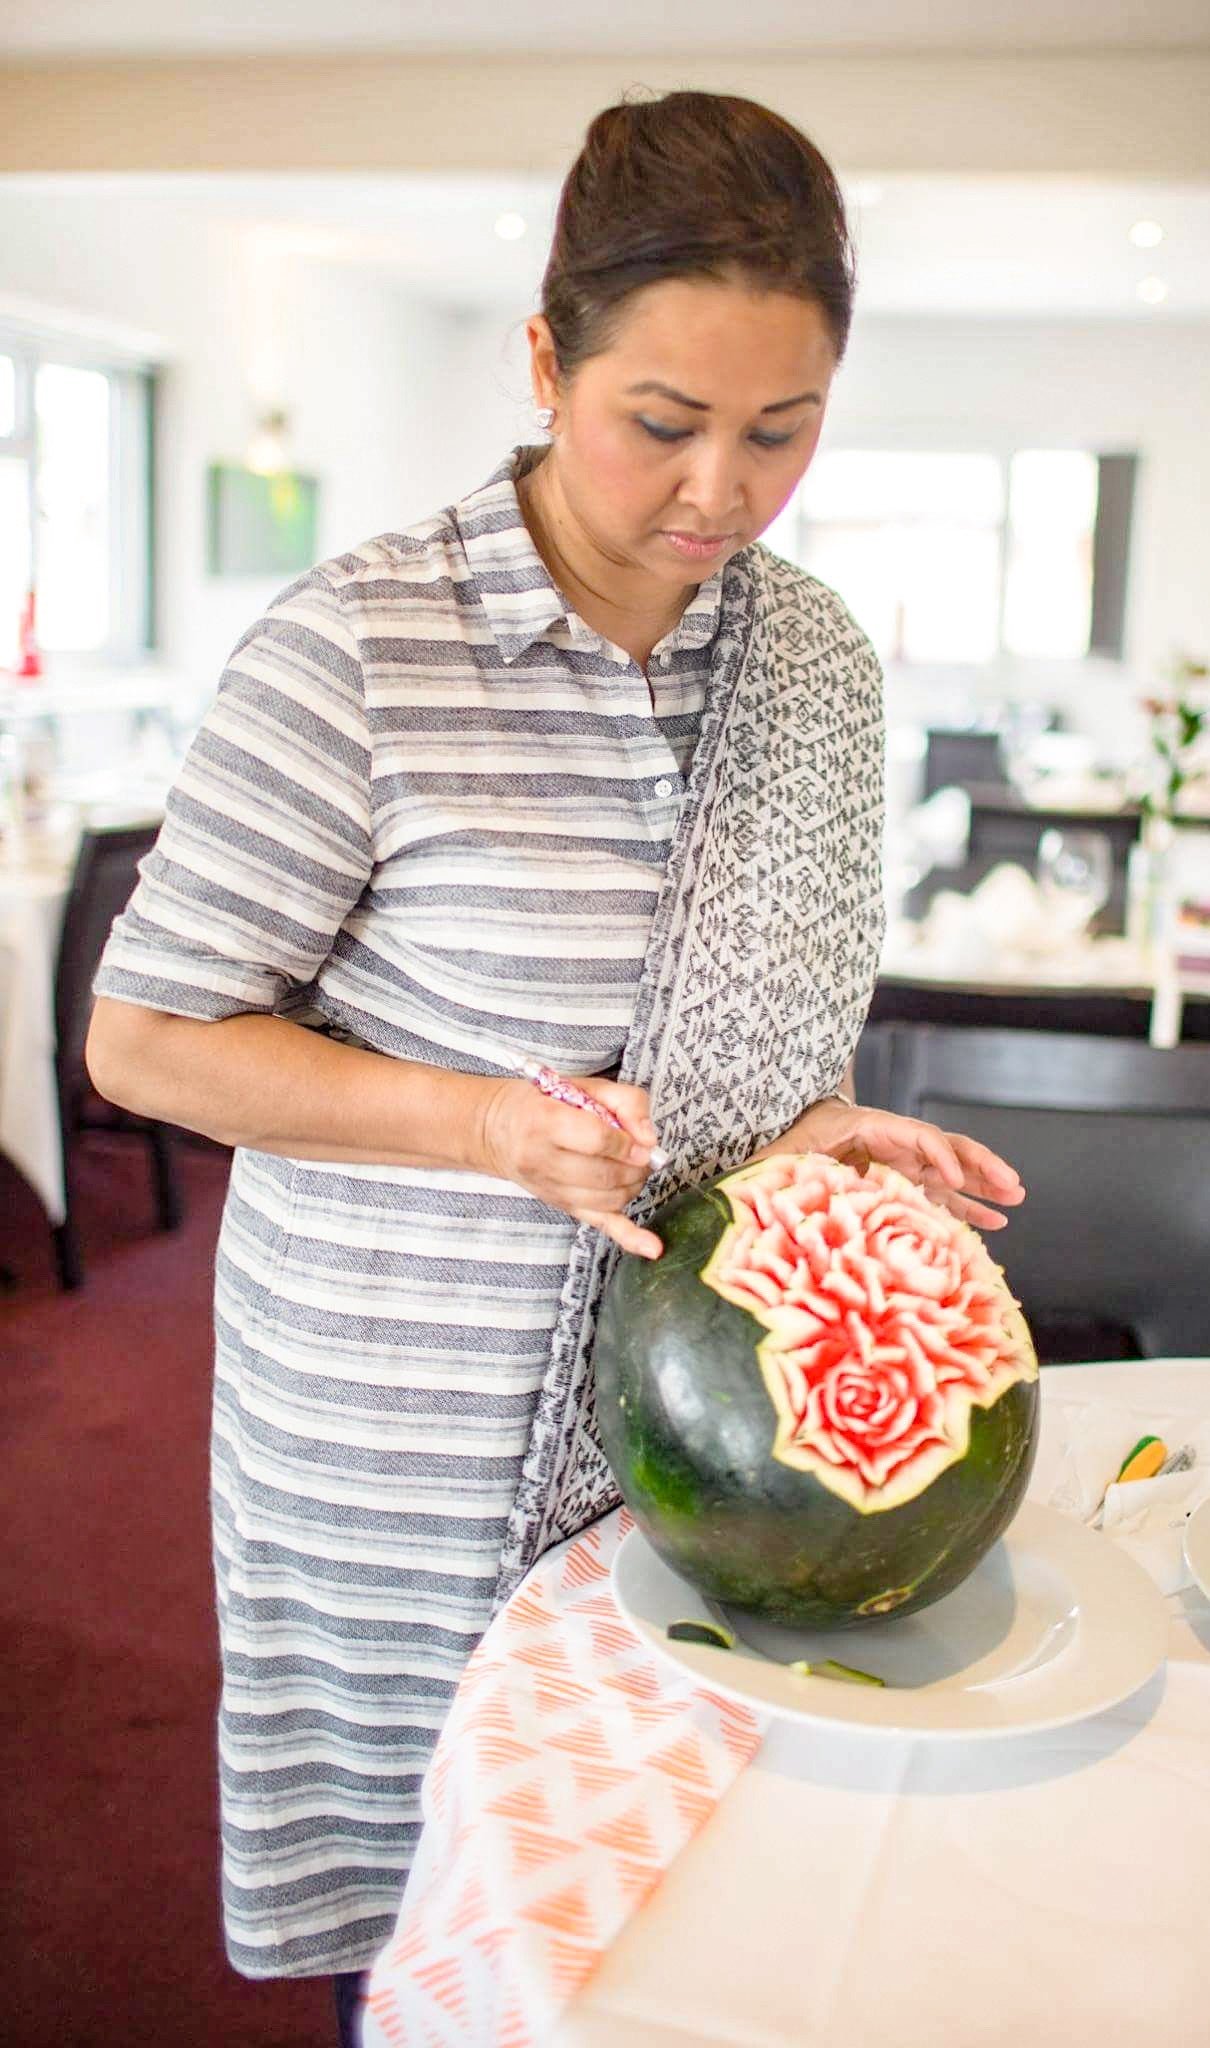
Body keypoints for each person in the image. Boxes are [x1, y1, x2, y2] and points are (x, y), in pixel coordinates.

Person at [86, 89, 1024, 2038]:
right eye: (661, 423)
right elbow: (145, 1040)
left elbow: (748, 1061)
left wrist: (816, 1144)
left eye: (780, 429)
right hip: (401, 1427)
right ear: (543, 359)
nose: (721, 491)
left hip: (707, 1435)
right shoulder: (358, 648)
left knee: (676, 1929)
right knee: (448, 1914)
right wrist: (483, 1125)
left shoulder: (822, 668)